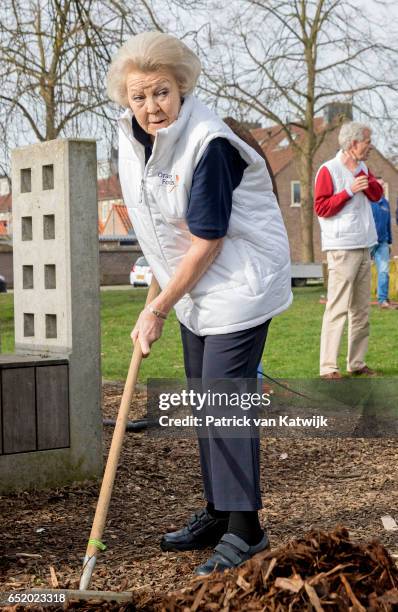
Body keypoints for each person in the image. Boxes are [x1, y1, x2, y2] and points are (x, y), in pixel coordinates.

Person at [107, 32, 292, 575]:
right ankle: (219, 511)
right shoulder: (134, 136)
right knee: (204, 400)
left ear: (181, 87)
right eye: (138, 97)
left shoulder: (208, 142)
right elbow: (161, 227)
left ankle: (247, 530)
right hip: (194, 285)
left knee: (224, 401)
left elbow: (208, 238)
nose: (150, 107)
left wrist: (157, 308)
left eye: (161, 92)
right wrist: (160, 289)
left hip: (239, 281)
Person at [314, 121, 383, 380]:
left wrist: (366, 180)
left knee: (362, 310)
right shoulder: (328, 170)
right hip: (342, 248)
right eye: (367, 141)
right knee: (337, 308)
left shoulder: (363, 167)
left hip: (365, 245)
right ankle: (328, 367)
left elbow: (376, 195)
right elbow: (321, 208)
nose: (371, 146)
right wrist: (348, 191)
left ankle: (357, 362)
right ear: (353, 144)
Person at [370, 179, 395, 309]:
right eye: (380, 185)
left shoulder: (385, 203)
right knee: (358, 270)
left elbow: (387, 224)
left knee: (384, 271)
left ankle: (383, 300)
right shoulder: (367, 202)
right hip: (368, 242)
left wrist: (389, 242)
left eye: (383, 185)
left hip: (383, 243)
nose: (382, 187)